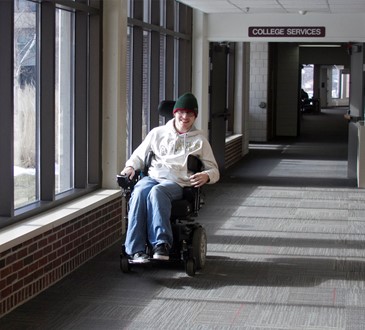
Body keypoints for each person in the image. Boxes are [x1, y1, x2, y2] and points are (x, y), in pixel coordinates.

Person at [120, 92, 220, 263]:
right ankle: (135, 250)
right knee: (138, 192)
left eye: (190, 113)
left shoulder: (200, 141)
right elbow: (139, 155)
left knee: (157, 192)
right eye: (181, 112)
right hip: (152, 177)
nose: (185, 117)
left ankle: (161, 244)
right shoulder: (157, 133)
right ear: (175, 113)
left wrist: (206, 175)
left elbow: (214, 170)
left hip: (177, 183)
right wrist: (130, 166)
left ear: (195, 116)